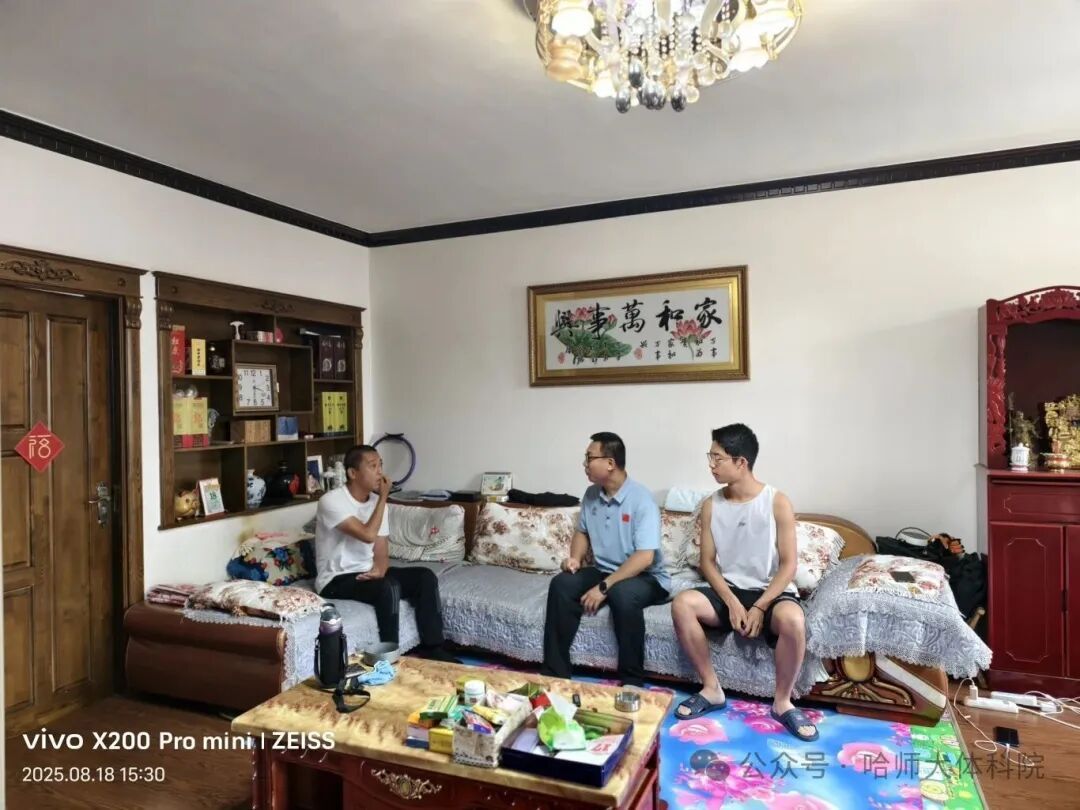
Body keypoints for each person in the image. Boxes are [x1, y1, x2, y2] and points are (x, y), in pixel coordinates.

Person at [670, 423, 818, 741]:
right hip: (730, 590)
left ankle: (783, 702)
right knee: (682, 604)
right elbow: (707, 562)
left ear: (741, 462)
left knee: (793, 620)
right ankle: (711, 689)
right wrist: (733, 603)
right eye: (710, 457)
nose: (711, 465)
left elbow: (789, 565)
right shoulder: (712, 504)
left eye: (718, 458)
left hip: (770, 592)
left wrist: (761, 606)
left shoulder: (777, 501)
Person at [541, 432, 670, 686]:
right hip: (605, 570)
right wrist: (575, 558)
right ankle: (555, 674)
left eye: (590, 458)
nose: (585, 464)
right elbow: (582, 532)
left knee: (622, 594)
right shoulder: (591, 494)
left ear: (610, 463)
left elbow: (645, 557)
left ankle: (632, 681)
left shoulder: (642, 500)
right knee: (562, 583)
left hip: (647, 577)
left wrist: (604, 587)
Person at [315, 444, 458, 662]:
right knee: (388, 588)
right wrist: (383, 498)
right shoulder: (332, 501)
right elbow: (367, 535)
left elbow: (381, 549)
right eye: (373, 466)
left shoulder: (376, 503)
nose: (380, 472)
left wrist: (380, 570)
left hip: (365, 573)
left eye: (380, 465)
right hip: (335, 579)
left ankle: (434, 649)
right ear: (353, 473)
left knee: (425, 577)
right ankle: (390, 657)